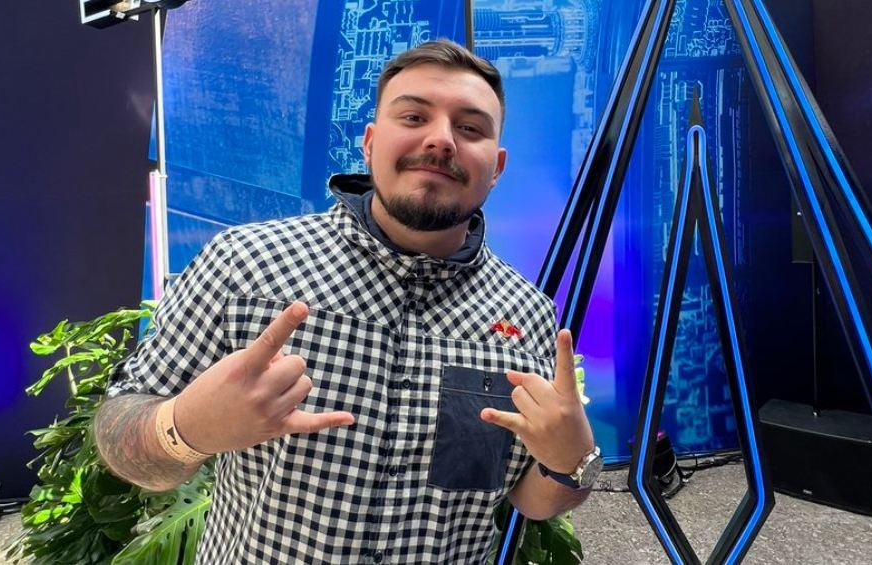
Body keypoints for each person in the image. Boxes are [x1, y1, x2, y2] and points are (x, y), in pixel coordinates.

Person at [95, 39, 600, 564]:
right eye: (414, 116)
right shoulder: (245, 265)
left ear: (496, 166)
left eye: (470, 128)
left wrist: (570, 465)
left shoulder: (527, 316)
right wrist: (185, 428)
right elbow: (119, 434)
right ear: (370, 142)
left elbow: (530, 500)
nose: (441, 139)